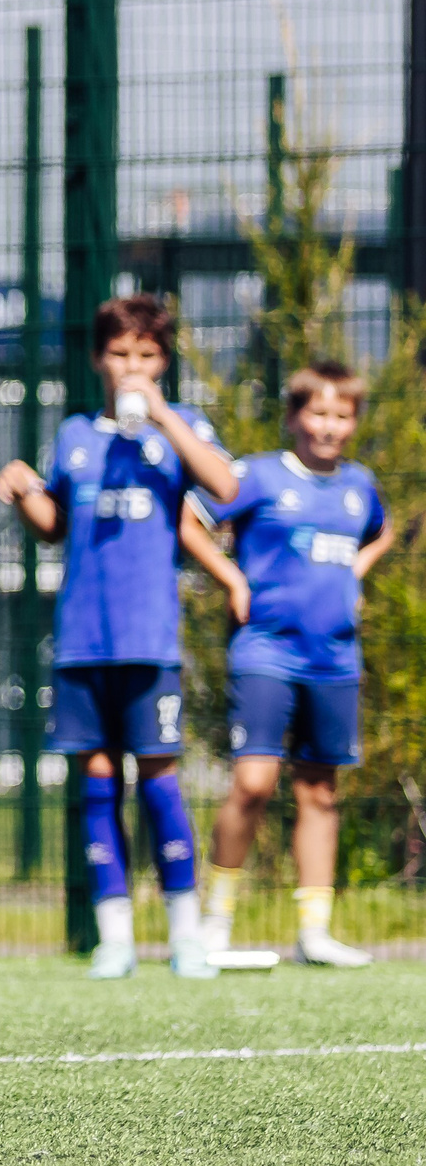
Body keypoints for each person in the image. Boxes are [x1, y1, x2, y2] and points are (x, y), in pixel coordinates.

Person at [0, 293, 235, 983]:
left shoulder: (179, 426)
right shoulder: (74, 433)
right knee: (98, 783)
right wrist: (23, 489)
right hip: (81, 643)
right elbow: (56, 523)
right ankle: (115, 935)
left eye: (147, 355)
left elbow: (223, 487)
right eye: (121, 354)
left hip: (149, 641)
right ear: (99, 358)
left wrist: (160, 412)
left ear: (164, 362)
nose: (133, 366)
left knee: (159, 780)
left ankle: (186, 935)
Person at [185, 361, 389, 967]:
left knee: (320, 790)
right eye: (318, 413)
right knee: (254, 782)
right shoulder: (261, 476)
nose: (329, 427)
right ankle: (215, 921)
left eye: (342, 416)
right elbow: (191, 523)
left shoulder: (359, 485)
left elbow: (380, 530)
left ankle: (314, 931)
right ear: (296, 416)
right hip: (267, 652)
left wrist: (357, 572)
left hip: (335, 658)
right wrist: (231, 579)